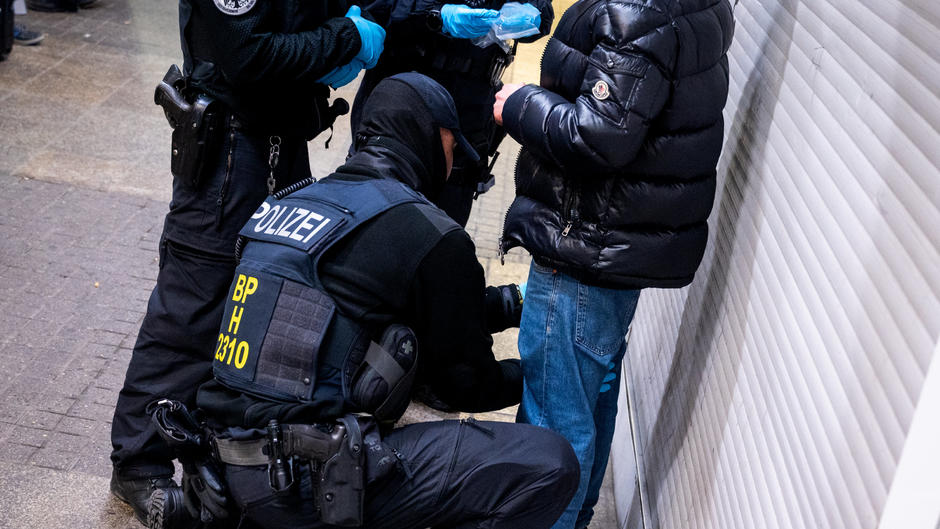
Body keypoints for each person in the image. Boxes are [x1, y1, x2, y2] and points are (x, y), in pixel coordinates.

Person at [179, 72, 579, 529]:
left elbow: (382, 306)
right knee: (548, 462)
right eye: (453, 150)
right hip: (307, 483)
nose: (452, 168)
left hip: (223, 468)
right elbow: (465, 385)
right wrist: (539, 376)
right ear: (433, 137)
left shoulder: (297, 201)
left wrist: (512, 303)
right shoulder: (427, 231)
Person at [108, 0, 386, 526]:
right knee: (190, 310)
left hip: (280, 145)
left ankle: (215, 446)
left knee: (263, 305)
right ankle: (138, 462)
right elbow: (247, 55)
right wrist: (344, 38)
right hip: (229, 152)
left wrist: (344, 28)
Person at [493, 0, 735, 527]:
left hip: (584, 245)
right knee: (589, 402)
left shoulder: (638, 13)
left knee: (552, 425)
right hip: (616, 245)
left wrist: (518, 104)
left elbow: (595, 136)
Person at [351, 0, 554, 226]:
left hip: (468, 118)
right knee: (373, 223)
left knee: (442, 232)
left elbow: (542, 16)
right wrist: (435, 15)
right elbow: (368, 8)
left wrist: (529, 16)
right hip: (399, 105)